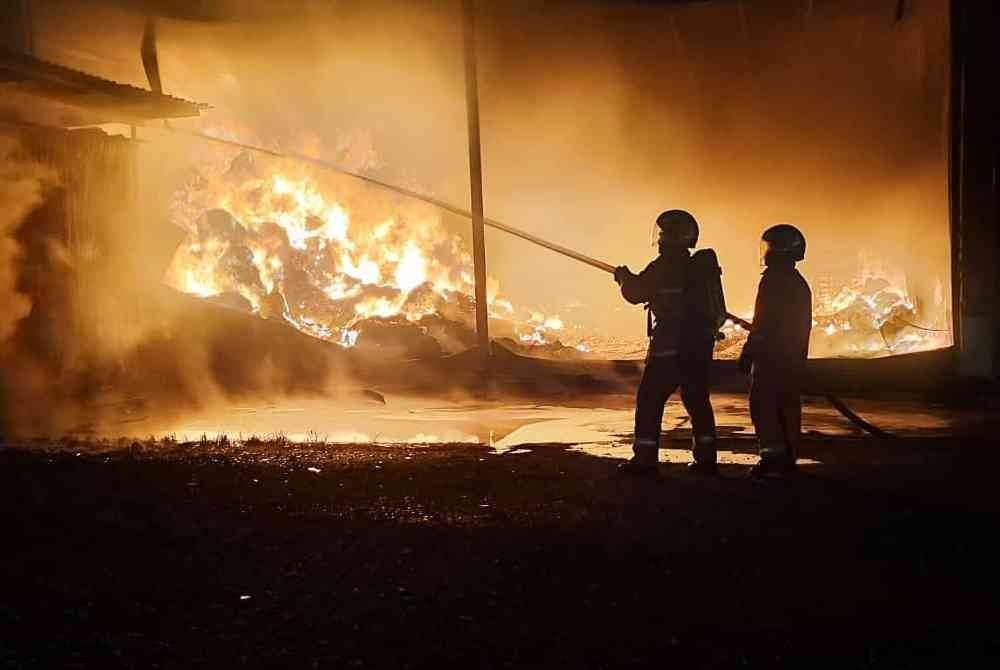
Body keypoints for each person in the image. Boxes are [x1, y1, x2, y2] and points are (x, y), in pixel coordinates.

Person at [614, 210, 727, 477]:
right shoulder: (698, 269)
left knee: (650, 400)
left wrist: (623, 277)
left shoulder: (664, 266)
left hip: (669, 348)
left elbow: (636, 292)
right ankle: (706, 460)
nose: (661, 238)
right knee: (697, 400)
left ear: (671, 237)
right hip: (698, 347)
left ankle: (644, 460)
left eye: (664, 233)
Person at [738, 224, 812, 478]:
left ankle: (772, 459)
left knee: (763, 406)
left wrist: (749, 351)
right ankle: (788, 459)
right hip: (792, 358)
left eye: (769, 246)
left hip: (771, 358)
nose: (765, 252)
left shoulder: (773, 281)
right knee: (788, 407)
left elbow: (764, 322)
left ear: (779, 250)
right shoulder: (798, 283)